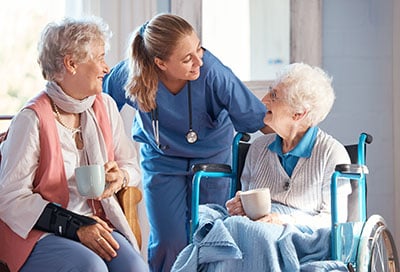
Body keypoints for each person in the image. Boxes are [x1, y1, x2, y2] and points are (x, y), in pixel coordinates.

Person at [102, 13, 270, 272]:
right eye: (186, 58)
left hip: (213, 159)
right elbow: (99, 108)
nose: (199, 60)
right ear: (160, 63)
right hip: (161, 159)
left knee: (210, 235)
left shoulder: (212, 72)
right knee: (169, 241)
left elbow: (253, 118)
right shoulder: (131, 73)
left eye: (199, 48)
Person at [0, 17, 148, 272]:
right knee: (91, 267)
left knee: (134, 268)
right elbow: (12, 198)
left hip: (95, 223)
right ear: (71, 64)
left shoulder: (105, 106)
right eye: (100, 58)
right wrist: (73, 224)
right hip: (40, 232)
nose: (106, 67)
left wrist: (120, 177)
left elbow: (131, 165)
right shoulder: (31, 118)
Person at [226, 62, 352, 229]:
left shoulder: (332, 154)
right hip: (257, 231)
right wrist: (241, 206)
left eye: (274, 96)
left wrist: (285, 221)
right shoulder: (258, 148)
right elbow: (247, 210)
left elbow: (333, 220)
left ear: (298, 113)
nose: (263, 101)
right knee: (208, 216)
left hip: (304, 239)